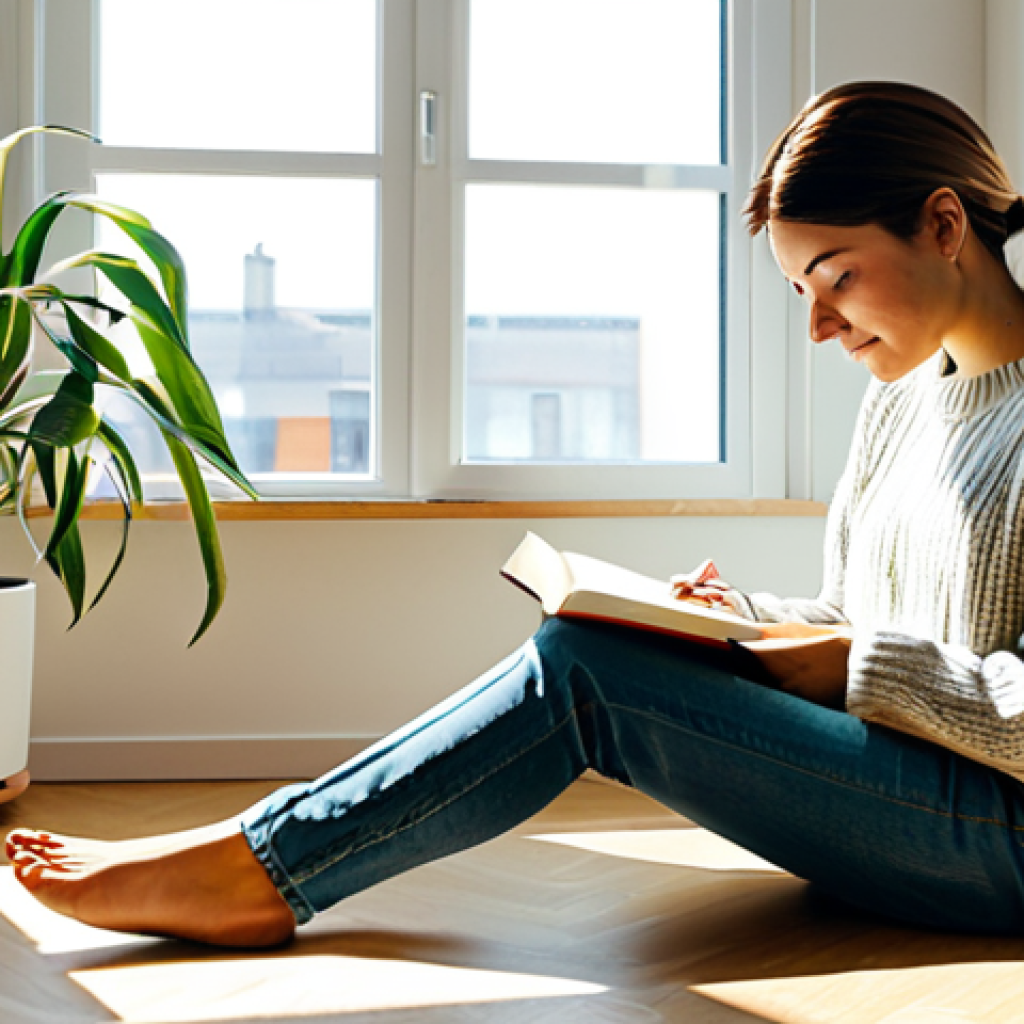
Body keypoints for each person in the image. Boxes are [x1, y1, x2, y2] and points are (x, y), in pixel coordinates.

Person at [10, 79, 1024, 947]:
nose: (816, 324)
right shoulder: (899, 403)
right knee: (590, 633)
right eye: (803, 287)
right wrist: (752, 625)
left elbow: (899, 664)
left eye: (835, 277)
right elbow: (861, 611)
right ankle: (261, 857)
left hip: (999, 836)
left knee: (589, 675)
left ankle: (256, 870)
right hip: (909, 785)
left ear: (941, 226)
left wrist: (851, 661)